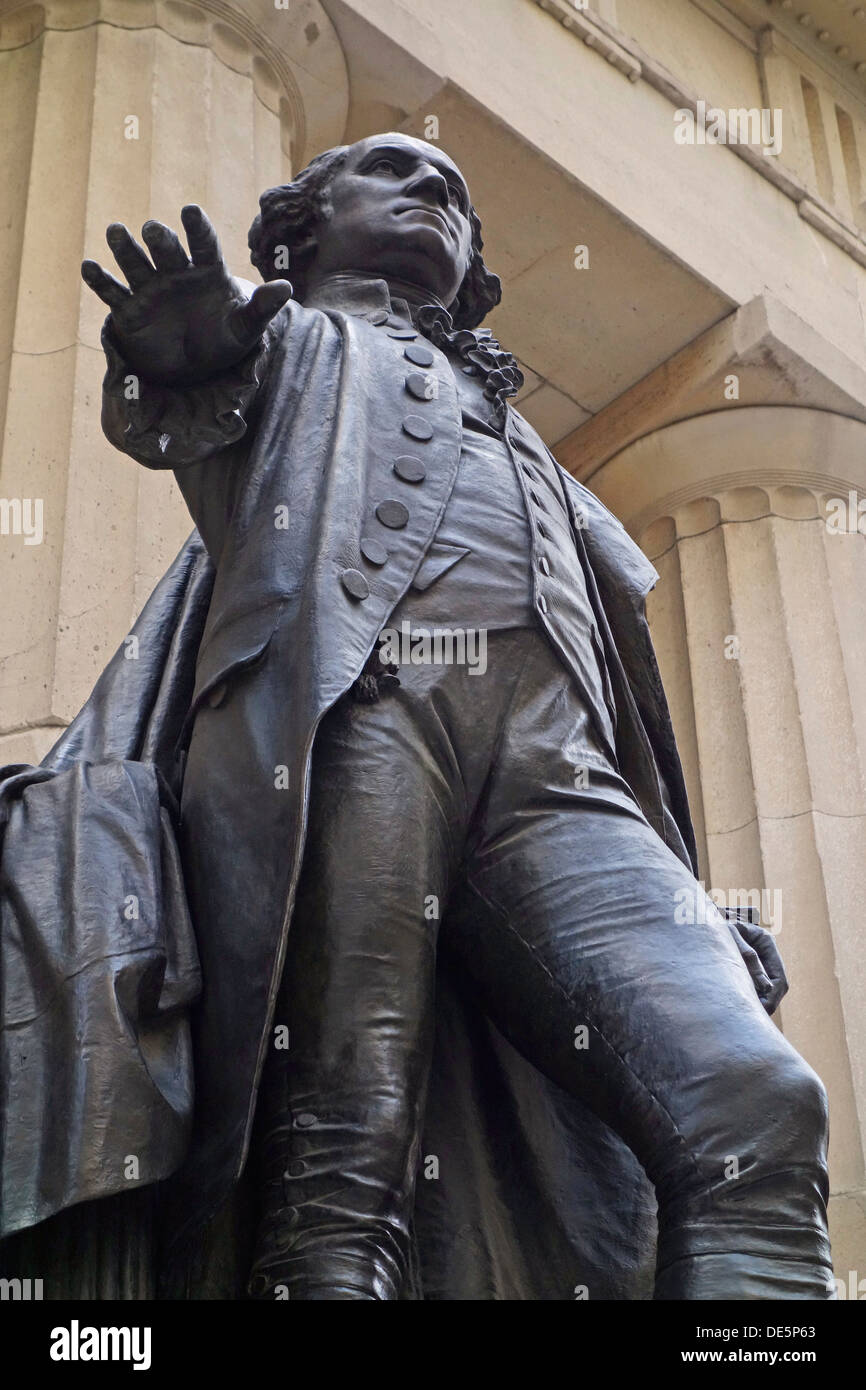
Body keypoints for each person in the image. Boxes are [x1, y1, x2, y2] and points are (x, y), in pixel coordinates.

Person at [81, 133, 833, 1300]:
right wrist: (173, 355)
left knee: (755, 1103)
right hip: (354, 722)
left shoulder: (529, 445)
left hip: (560, 778)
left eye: (455, 193)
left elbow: (619, 697)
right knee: (339, 1156)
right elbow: (171, 397)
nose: (434, 189)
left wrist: (681, 882)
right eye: (391, 172)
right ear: (301, 230)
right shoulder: (285, 341)